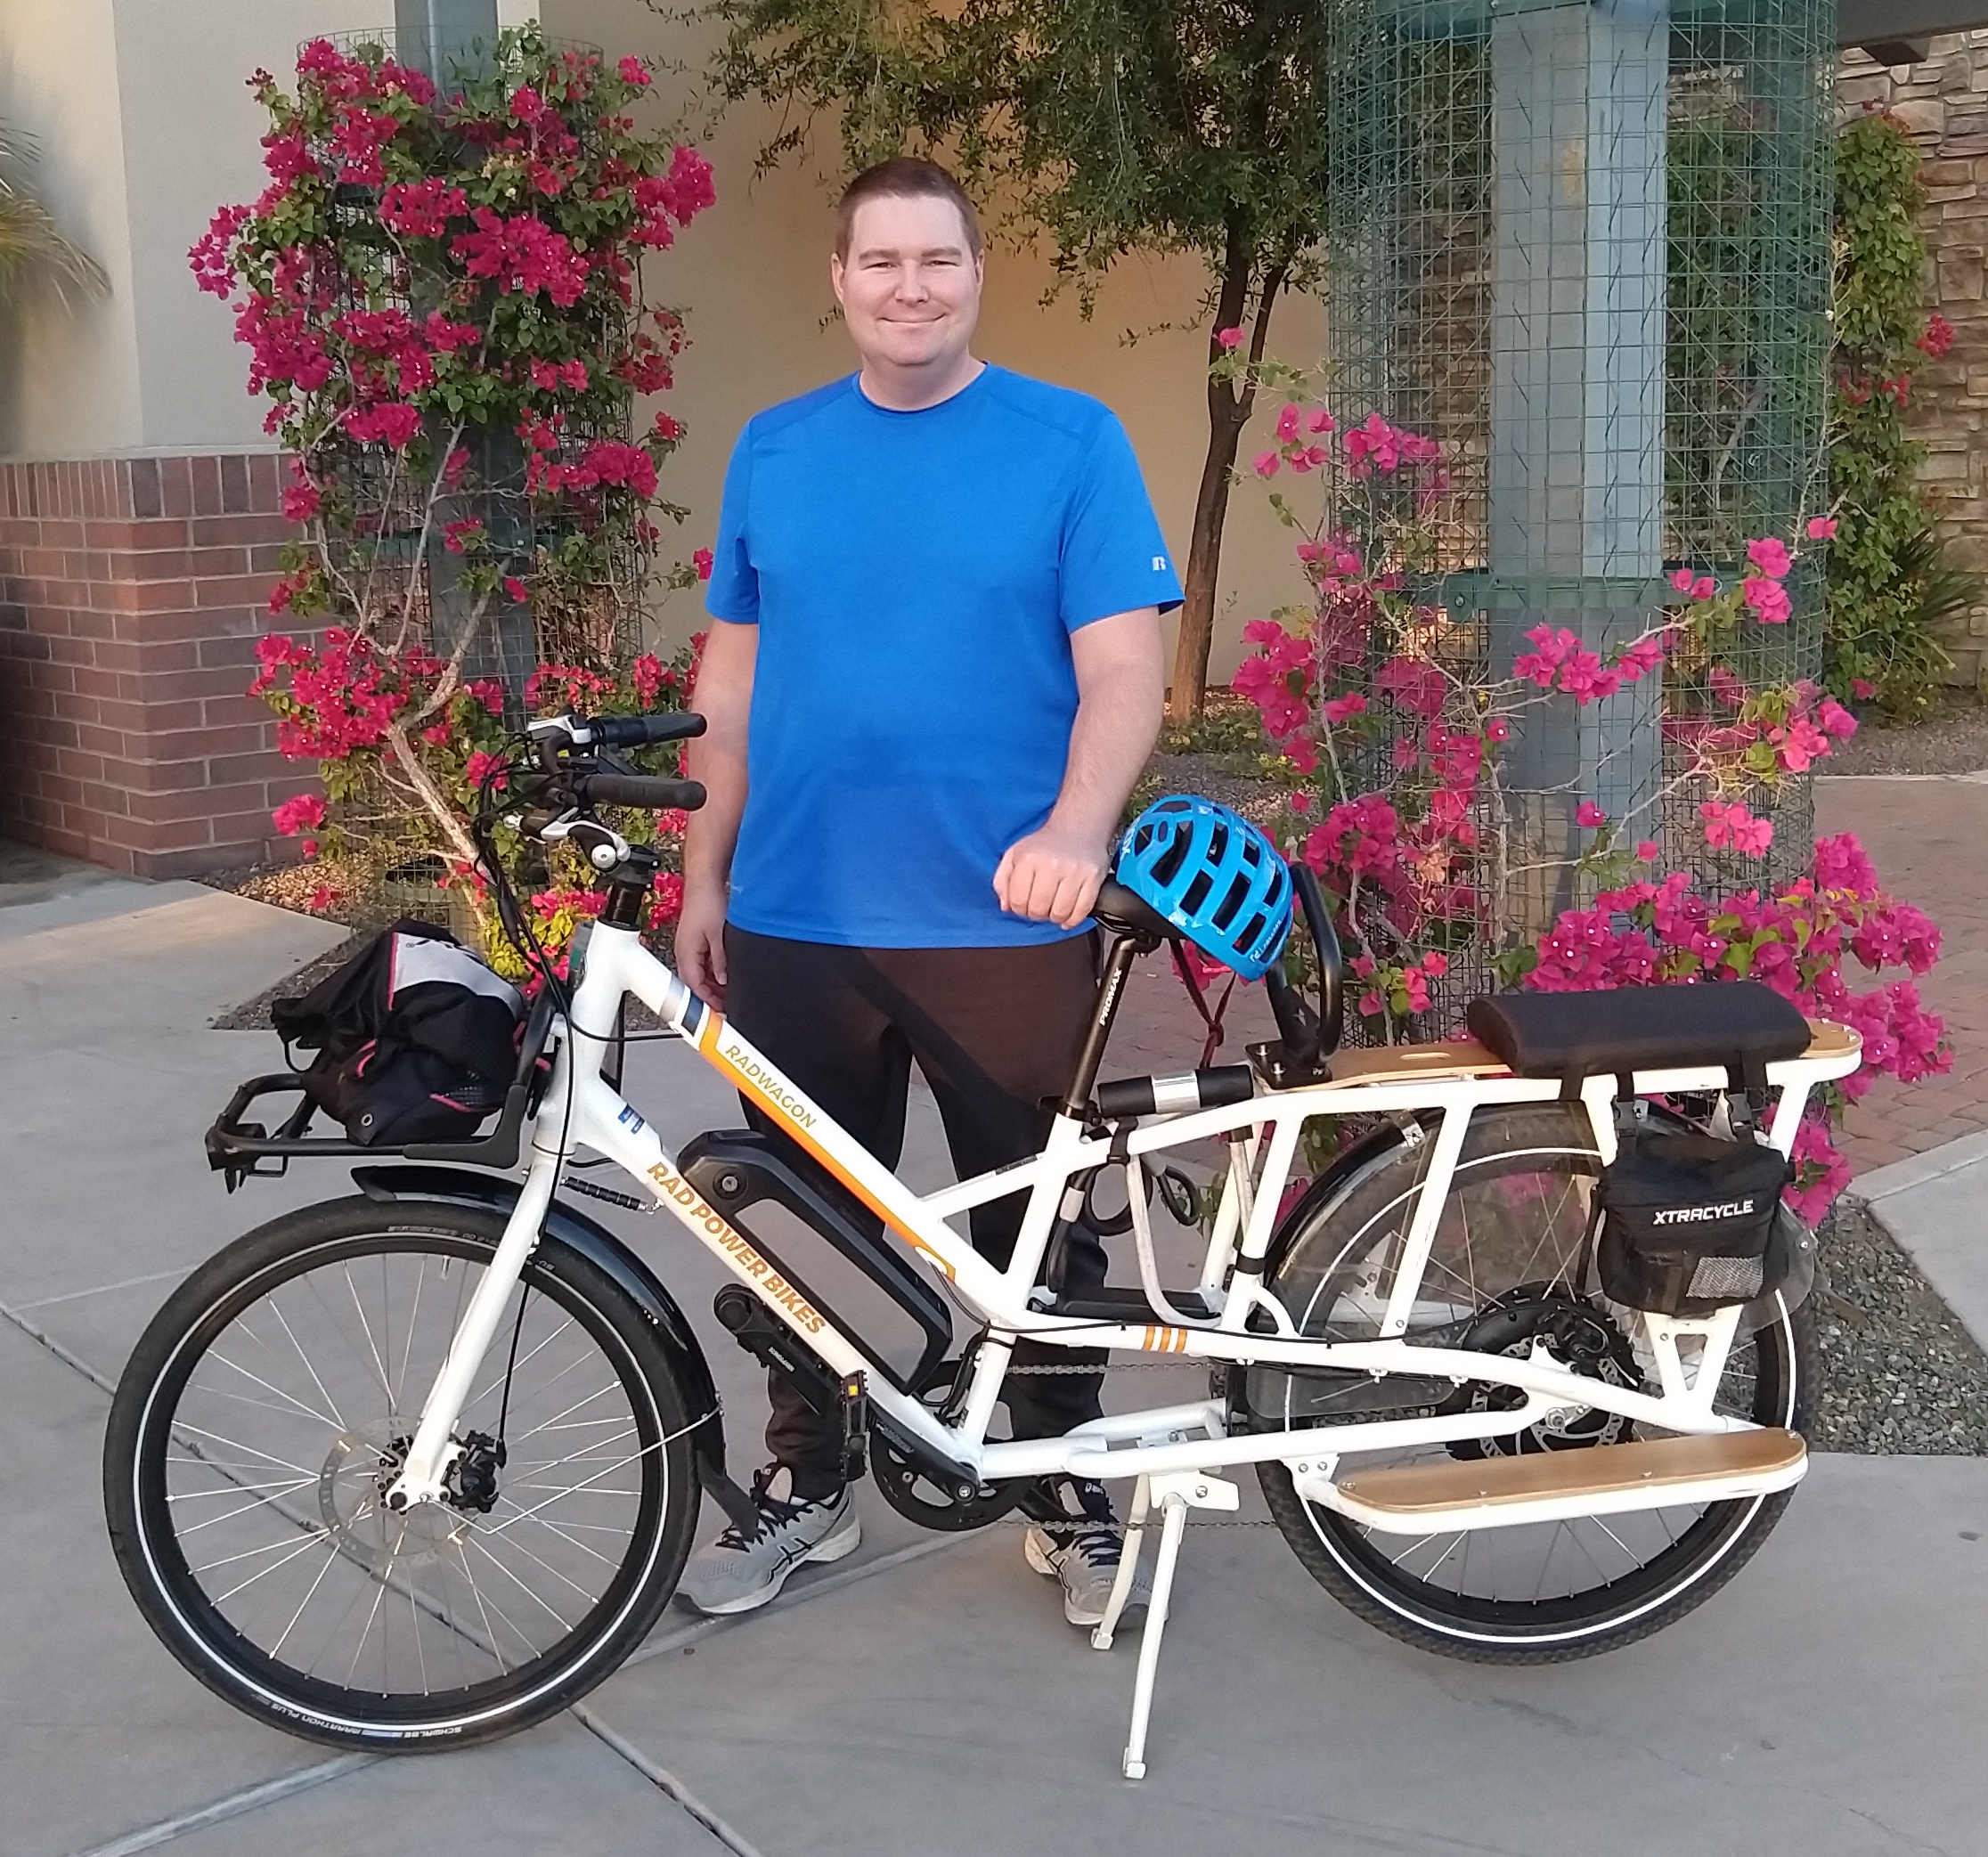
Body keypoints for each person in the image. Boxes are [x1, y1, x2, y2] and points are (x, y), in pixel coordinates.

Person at [674, 155, 1180, 1625]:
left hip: (1004, 925)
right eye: (882, 261)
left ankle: (1062, 1484)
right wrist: (705, 870)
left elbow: (1124, 671)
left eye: (938, 260)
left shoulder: (1070, 442)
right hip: (798, 918)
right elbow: (733, 677)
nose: (911, 286)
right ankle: (811, 1482)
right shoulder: (774, 450)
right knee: (800, 1219)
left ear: (977, 274)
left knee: (1039, 1235)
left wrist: (1082, 827)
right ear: (839, 281)